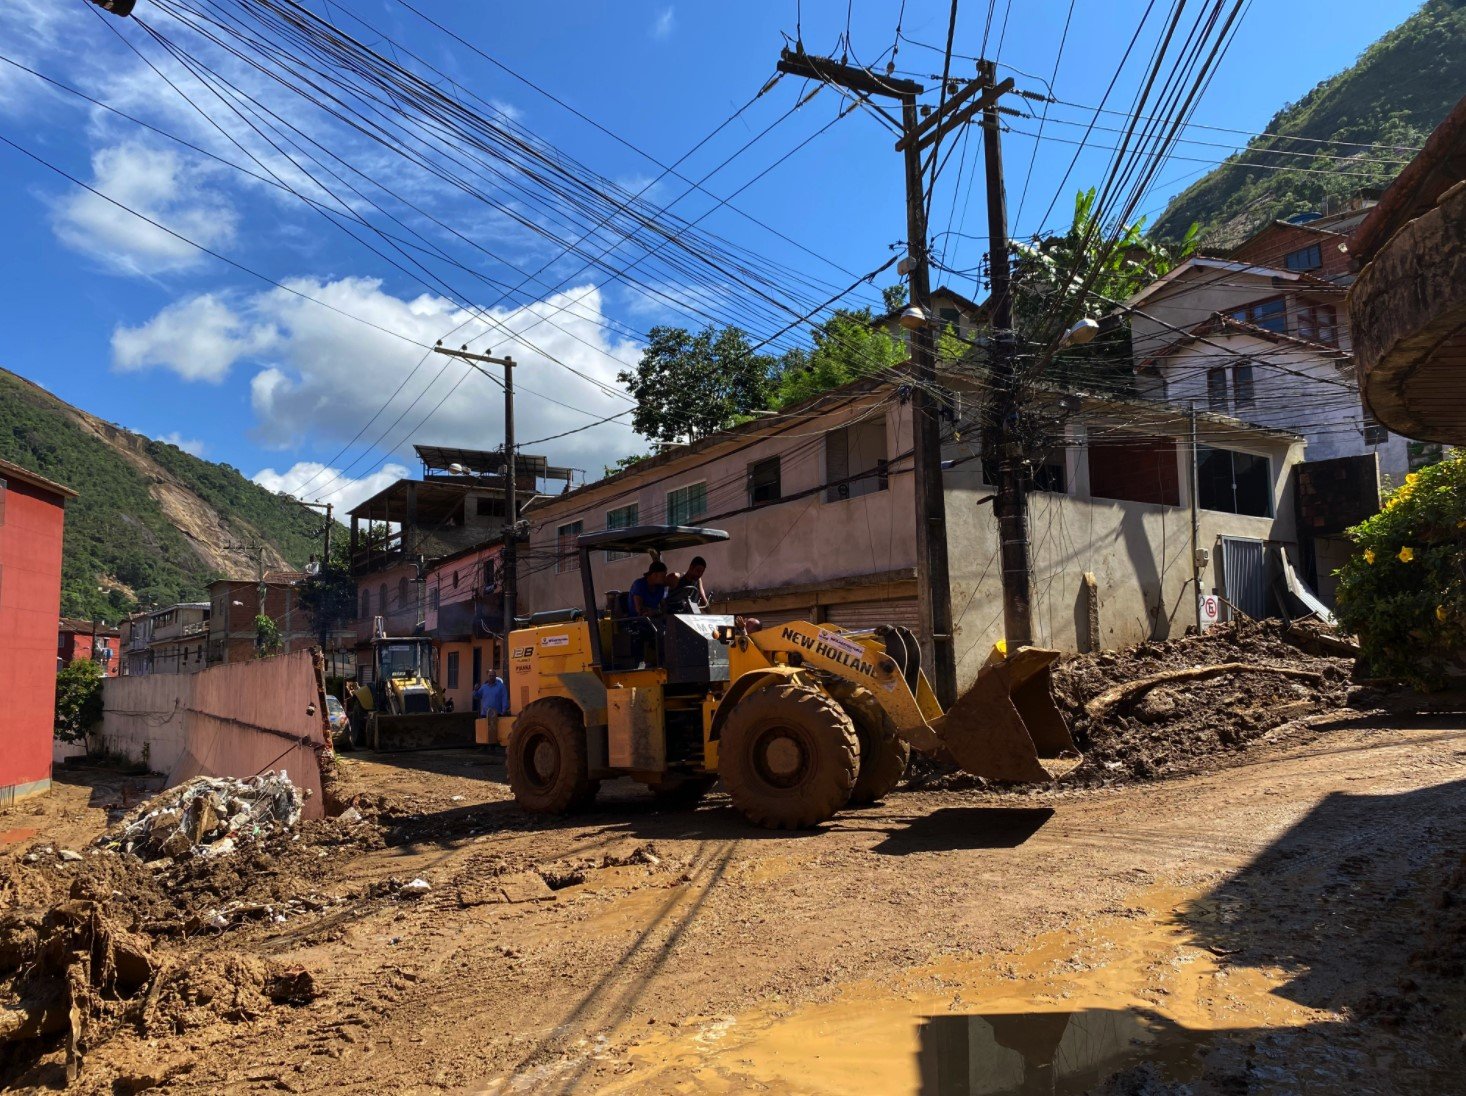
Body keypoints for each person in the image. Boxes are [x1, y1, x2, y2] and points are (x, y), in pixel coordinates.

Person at [472, 670, 510, 747]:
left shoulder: (501, 686)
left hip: (496, 713)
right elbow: (477, 696)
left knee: (495, 732)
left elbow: (504, 698)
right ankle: (485, 747)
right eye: (490, 676)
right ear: (488, 676)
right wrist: (475, 690)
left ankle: (494, 747)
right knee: (485, 731)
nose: (491, 677)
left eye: (493, 675)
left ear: (495, 676)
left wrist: (504, 710)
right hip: (485, 713)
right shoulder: (484, 687)